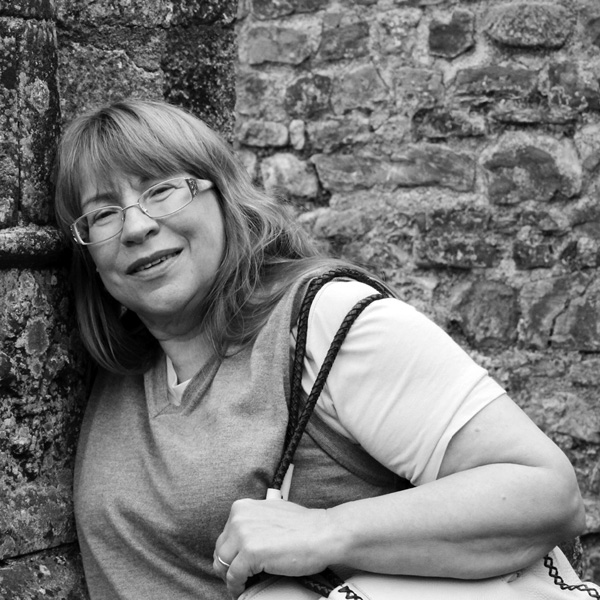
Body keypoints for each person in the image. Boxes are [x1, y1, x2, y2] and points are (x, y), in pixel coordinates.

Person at [53, 98, 585, 600]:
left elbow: (546, 493)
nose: (136, 226)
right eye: (103, 214)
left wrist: (328, 531)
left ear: (223, 195)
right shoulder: (115, 368)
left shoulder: (324, 321)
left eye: (162, 189)